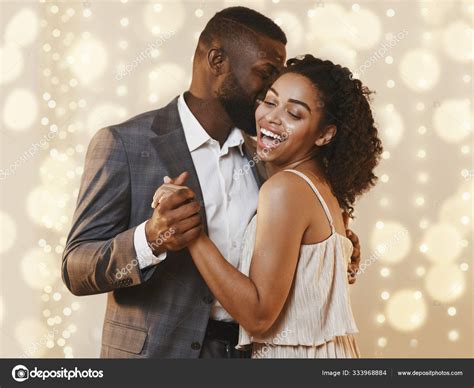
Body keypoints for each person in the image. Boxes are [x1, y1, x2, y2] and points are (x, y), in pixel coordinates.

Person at [62, 7, 361, 359]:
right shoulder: (125, 144)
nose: (269, 91)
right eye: (265, 74)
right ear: (217, 61)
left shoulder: (269, 153)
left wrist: (327, 245)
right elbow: (75, 268)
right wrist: (149, 239)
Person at [179, 55, 383, 358]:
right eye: (269, 101)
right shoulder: (320, 185)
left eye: (295, 114)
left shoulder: (284, 188)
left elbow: (259, 317)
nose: (272, 118)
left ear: (326, 134)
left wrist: (192, 234)